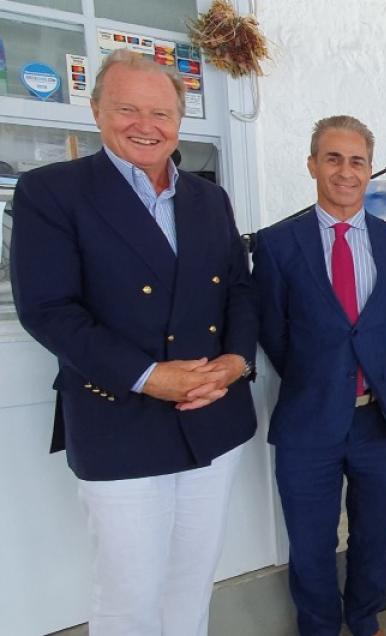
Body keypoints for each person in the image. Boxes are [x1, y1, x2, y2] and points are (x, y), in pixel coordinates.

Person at [10, 50, 257, 635]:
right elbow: (48, 309)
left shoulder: (208, 198)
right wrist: (150, 376)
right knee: (130, 597)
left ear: (179, 121)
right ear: (96, 110)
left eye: (161, 113)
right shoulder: (53, 192)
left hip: (211, 417)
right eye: (127, 109)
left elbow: (241, 289)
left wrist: (235, 361)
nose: (146, 126)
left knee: (192, 585)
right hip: (119, 420)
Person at [253, 115, 386, 636]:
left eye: (356, 161)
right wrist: (322, 377)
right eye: (333, 159)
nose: (345, 172)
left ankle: (365, 620)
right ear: (312, 165)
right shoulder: (278, 244)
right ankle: (320, 627)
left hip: (378, 421)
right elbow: (272, 329)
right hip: (308, 421)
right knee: (311, 543)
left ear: (370, 169)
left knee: (375, 537)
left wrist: (379, 369)